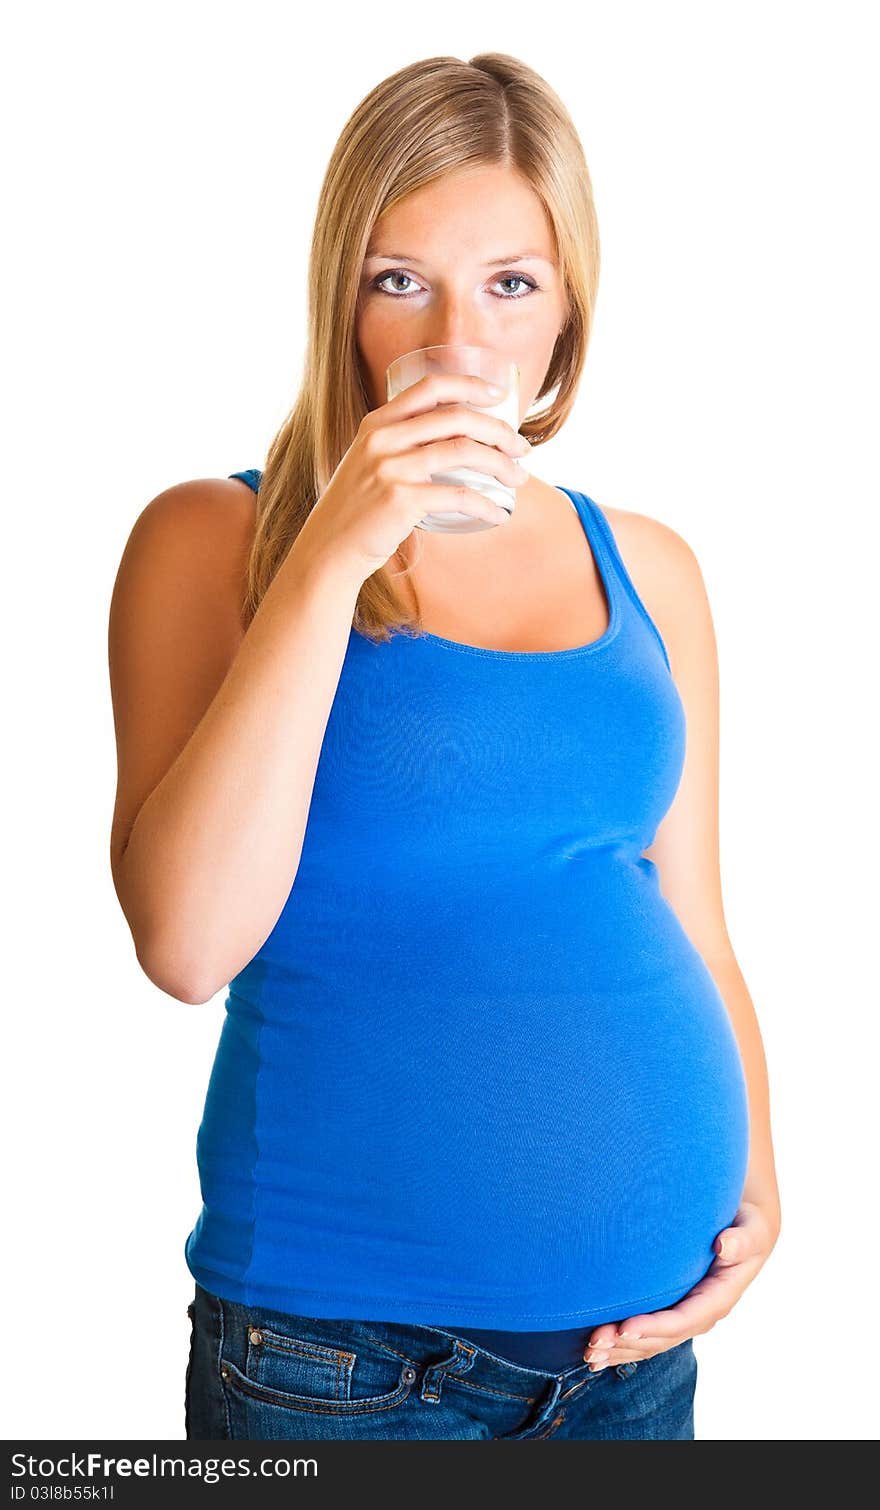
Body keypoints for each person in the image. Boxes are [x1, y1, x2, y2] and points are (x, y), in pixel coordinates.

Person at [108, 52, 781, 1441]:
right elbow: (182, 944)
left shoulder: (649, 564)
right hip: (340, 1362)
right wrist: (340, 540)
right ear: (341, 299)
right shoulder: (212, 541)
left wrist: (757, 1179)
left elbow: (694, 915)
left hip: (630, 1354)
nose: (457, 343)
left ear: (568, 304)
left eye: (510, 283)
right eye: (399, 278)